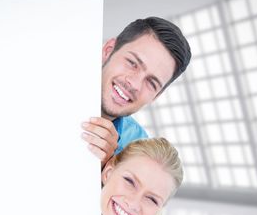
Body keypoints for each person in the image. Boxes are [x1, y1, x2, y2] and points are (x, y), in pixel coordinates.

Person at [81, 16, 191, 164]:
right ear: (108, 51)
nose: (134, 84)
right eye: (132, 63)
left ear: (157, 95)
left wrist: (110, 166)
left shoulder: (139, 151)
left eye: (152, 83)